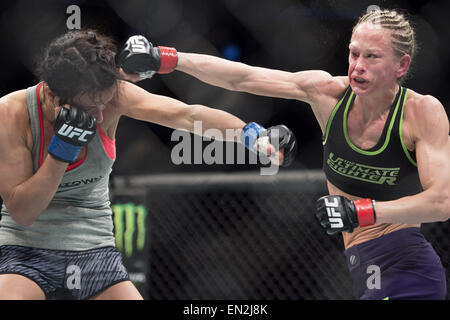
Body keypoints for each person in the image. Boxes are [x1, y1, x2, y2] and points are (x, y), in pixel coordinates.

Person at [121, 9, 450, 300]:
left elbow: (441, 202)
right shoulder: (328, 94)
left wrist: (362, 212)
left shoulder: (420, 112)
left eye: (372, 57)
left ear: (401, 65)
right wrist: (167, 58)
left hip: (406, 264)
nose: (358, 67)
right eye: (353, 54)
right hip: (361, 263)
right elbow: (243, 77)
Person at [0, 29, 296, 300]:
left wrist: (249, 134)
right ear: (53, 95)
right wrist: (61, 152)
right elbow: (23, 212)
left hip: (93, 250)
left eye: (104, 105)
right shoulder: (12, 114)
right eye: (91, 108)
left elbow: (187, 116)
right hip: (25, 252)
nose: (101, 117)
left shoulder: (112, 97)